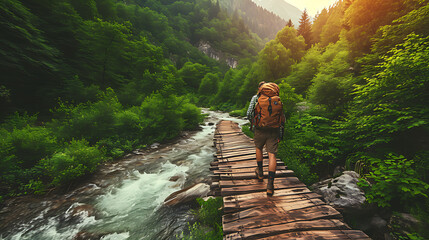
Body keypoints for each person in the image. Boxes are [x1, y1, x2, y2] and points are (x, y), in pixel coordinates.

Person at [247, 81, 284, 196]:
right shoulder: (276, 99)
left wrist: (254, 124)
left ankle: (260, 173)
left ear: (260, 89)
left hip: (260, 129)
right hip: (273, 130)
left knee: (258, 148)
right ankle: (270, 186)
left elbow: (249, 113)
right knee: (272, 155)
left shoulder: (256, 98)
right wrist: (281, 134)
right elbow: (282, 118)